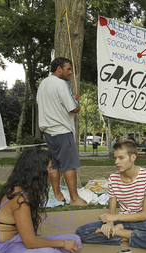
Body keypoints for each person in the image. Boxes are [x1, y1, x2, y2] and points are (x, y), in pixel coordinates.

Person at [0, 148, 82, 253]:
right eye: (49, 168)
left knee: (75, 241)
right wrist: (63, 244)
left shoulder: (19, 188)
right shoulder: (19, 198)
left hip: (19, 244)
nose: (51, 171)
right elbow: (30, 242)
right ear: (37, 172)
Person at [75, 140, 146, 250]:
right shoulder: (113, 178)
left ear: (133, 158)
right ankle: (128, 235)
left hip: (145, 223)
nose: (116, 162)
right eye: (115, 158)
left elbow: (144, 215)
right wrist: (110, 224)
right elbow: (112, 212)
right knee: (81, 232)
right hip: (122, 221)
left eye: (121, 158)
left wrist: (113, 218)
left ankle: (121, 234)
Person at [37, 57, 87, 206]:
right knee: (69, 165)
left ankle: (58, 195)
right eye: (68, 69)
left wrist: (71, 100)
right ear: (59, 69)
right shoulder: (61, 84)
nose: (70, 72)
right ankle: (74, 198)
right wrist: (77, 103)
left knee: (54, 165)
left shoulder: (43, 84)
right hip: (62, 131)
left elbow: (55, 105)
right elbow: (73, 109)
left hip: (49, 131)